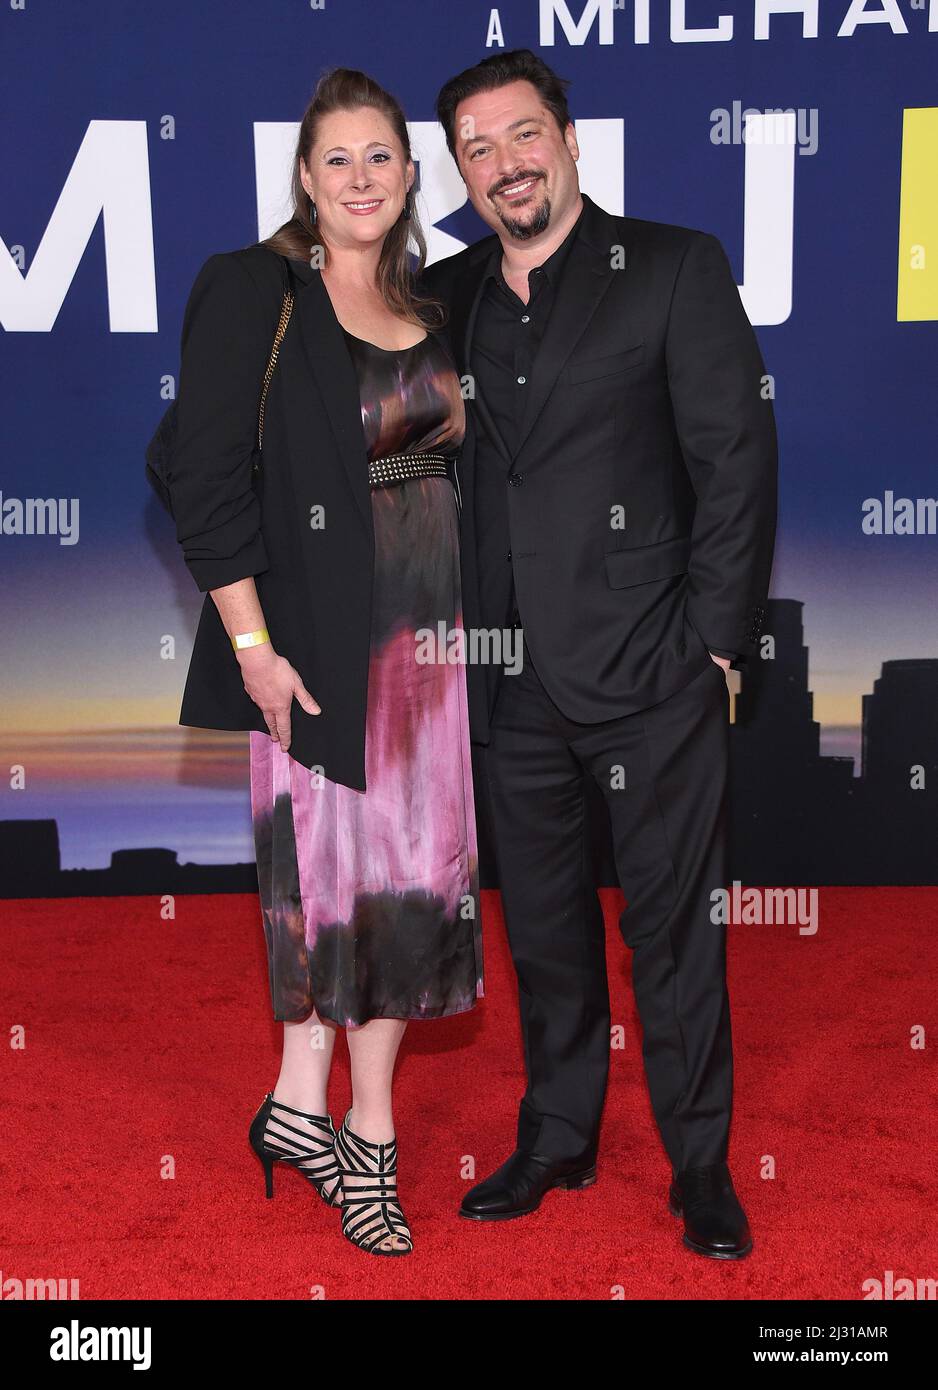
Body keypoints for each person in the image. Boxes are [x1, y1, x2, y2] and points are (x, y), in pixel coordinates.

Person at [422, 49, 777, 1258]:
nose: (504, 164)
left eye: (521, 135)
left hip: (650, 670)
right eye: (476, 148)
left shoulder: (671, 268)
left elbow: (733, 464)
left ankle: (700, 1166)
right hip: (507, 679)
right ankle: (557, 1134)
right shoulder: (449, 292)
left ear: (567, 139)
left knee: (674, 930)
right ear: (459, 171)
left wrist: (715, 646)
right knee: (546, 931)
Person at [166, 67, 482, 1257]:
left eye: (380, 158)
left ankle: (300, 1112)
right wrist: (252, 648)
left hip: (434, 651)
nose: (359, 177)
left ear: (410, 178)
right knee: (350, 894)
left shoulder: (428, 298)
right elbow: (196, 474)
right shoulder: (257, 289)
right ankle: (371, 1138)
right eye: (336, 158)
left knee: (406, 885)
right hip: (321, 650)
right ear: (303, 175)